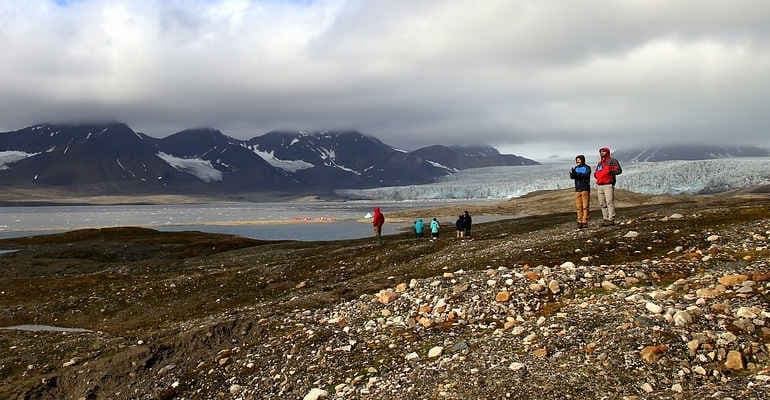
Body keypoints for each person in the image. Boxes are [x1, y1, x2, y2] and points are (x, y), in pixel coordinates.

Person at [594, 147, 622, 225]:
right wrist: (597, 175)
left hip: (608, 184)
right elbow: (597, 172)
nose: (602, 153)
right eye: (601, 152)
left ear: (607, 152)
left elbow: (619, 170)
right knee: (602, 203)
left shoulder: (612, 161)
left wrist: (609, 172)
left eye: (604, 151)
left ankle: (611, 219)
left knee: (609, 202)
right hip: (600, 185)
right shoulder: (600, 163)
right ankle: (605, 218)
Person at [569, 155, 592, 229]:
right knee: (579, 206)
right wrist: (572, 175)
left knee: (585, 206)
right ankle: (579, 221)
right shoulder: (576, 168)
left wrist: (577, 174)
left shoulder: (587, 167)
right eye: (577, 160)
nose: (577, 161)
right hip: (577, 189)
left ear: (582, 160)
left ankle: (584, 221)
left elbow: (586, 175)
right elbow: (574, 177)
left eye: (579, 160)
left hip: (585, 189)